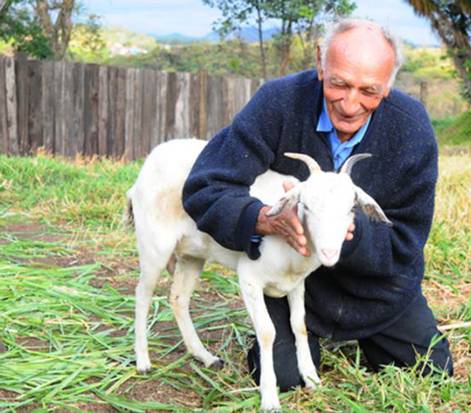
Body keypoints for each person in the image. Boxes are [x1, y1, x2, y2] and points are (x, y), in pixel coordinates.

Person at [182, 18, 453, 389]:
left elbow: (407, 240)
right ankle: (286, 333)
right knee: (284, 378)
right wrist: (263, 218)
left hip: (374, 289)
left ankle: (362, 329)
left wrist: (350, 233)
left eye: (369, 91)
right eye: (338, 83)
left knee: (432, 370)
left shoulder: (412, 129)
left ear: (388, 87)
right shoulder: (279, 102)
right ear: (320, 64)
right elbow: (205, 186)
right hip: (287, 276)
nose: (350, 103)